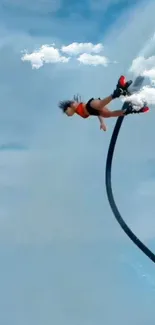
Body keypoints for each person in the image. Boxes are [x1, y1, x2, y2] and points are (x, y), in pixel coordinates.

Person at [59, 76, 149, 131]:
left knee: (100, 104)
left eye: (66, 112)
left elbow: (73, 104)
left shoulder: (73, 105)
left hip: (91, 105)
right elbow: (97, 114)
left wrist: (69, 105)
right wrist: (102, 123)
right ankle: (130, 110)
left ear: (69, 107)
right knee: (109, 114)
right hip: (95, 112)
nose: (68, 115)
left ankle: (116, 93)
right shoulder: (77, 113)